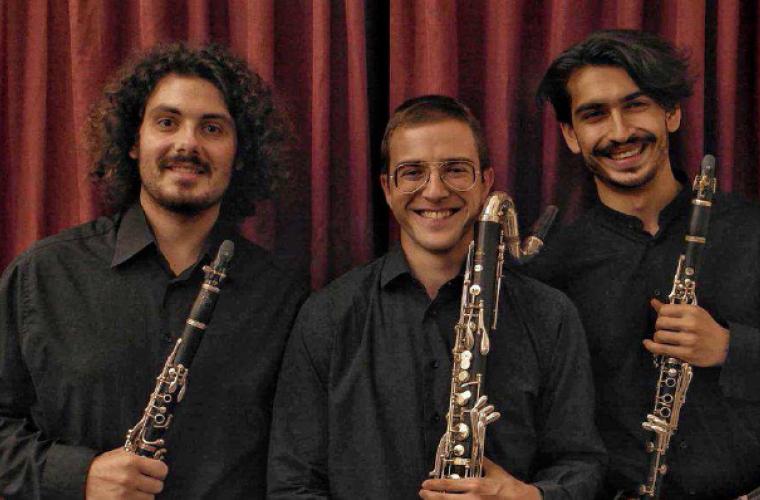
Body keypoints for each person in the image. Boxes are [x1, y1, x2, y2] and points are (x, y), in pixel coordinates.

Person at [0, 43, 307, 499]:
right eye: (167, 122)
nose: (187, 144)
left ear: (240, 153)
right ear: (133, 141)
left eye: (212, 128)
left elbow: (302, 463)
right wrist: (78, 475)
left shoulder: (282, 296)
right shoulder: (44, 275)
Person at [267, 95, 606, 499]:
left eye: (456, 170)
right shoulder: (328, 316)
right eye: (412, 172)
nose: (434, 191)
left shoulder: (550, 315)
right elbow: (293, 485)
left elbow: (582, 464)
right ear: (387, 188)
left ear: (486, 181)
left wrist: (526, 497)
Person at [531, 29, 760, 498]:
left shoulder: (754, 230)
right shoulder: (553, 264)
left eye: (635, 105)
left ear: (671, 113)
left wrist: (731, 349)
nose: (620, 132)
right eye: (594, 115)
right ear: (571, 135)